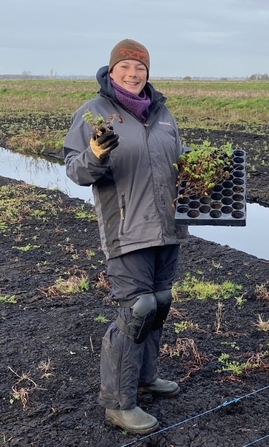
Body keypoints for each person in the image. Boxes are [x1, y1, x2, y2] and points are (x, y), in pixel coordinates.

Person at [63, 38, 188, 434]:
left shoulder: (163, 113)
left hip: (167, 226)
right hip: (127, 227)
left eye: (140, 68)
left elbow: (178, 163)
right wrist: (95, 154)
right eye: (125, 68)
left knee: (160, 303)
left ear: (148, 72)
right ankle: (118, 403)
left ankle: (146, 376)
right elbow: (75, 171)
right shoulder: (93, 113)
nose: (133, 75)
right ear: (111, 70)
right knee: (136, 310)